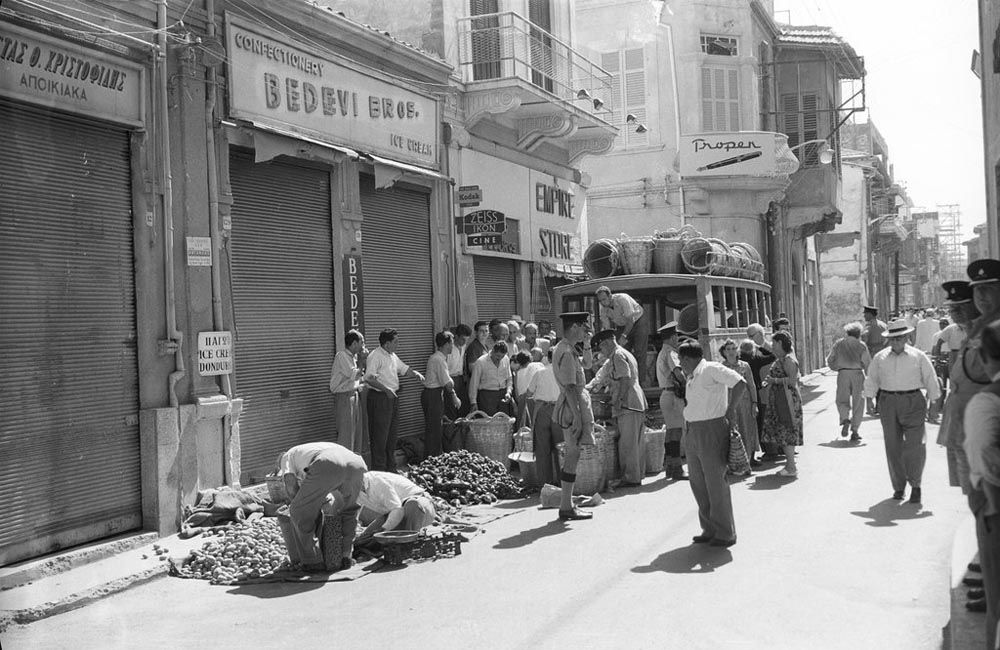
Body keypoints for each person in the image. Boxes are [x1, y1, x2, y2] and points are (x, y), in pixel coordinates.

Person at [677, 340, 746, 547]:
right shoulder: (692, 376)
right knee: (698, 482)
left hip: (712, 429)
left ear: (689, 358)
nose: (680, 363)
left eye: (682, 359)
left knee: (715, 482)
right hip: (693, 430)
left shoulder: (711, 369)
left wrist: (731, 409)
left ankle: (725, 532)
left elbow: (740, 383)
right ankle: (709, 528)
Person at [863, 318, 941, 503]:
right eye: (893, 338)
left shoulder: (918, 356)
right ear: (888, 339)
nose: (896, 341)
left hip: (913, 400)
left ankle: (916, 485)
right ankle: (899, 487)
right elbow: (872, 378)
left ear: (906, 337)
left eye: (899, 337)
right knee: (893, 446)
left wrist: (934, 404)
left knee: (915, 445)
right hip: (888, 401)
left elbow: (931, 378)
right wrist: (869, 399)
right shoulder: (880, 357)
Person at [942, 266, 1000, 495]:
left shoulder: (991, 330)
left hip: (987, 432)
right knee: (975, 497)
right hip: (965, 427)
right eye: (977, 291)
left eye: (988, 289)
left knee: (986, 499)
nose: (981, 297)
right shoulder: (974, 331)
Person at [961, 318, 1000, 648]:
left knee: (997, 609)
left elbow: (985, 459)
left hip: (995, 511)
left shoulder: (986, 401)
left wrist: (990, 508)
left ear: (986, 359)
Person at [276, 442, 366, 571]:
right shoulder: (308, 450)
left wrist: (300, 505)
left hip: (326, 463)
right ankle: (346, 555)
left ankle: (313, 561)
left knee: (298, 510)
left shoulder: (287, 456)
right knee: (349, 510)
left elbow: (290, 483)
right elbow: (330, 485)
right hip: (356, 463)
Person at [551, 311, 597, 521]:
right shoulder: (567, 352)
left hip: (571, 406)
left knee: (573, 454)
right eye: (584, 328)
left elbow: (587, 365)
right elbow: (570, 387)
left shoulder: (566, 348)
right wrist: (577, 417)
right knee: (572, 454)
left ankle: (566, 505)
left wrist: (587, 344)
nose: (585, 332)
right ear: (575, 327)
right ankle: (566, 506)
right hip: (572, 408)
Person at [365, 329, 425, 472]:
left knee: (391, 436)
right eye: (395, 342)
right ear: (386, 344)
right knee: (379, 436)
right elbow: (369, 378)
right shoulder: (375, 356)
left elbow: (403, 368)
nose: (398, 344)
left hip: (392, 398)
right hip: (380, 398)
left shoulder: (392, 355)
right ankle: (379, 470)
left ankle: (391, 468)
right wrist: (386, 390)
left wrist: (416, 374)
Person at [594, 329, 648, 486]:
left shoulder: (617, 355)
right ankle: (637, 475)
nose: (601, 351)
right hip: (635, 401)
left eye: (601, 347)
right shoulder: (622, 353)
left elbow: (625, 378)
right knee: (636, 442)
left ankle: (630, 478)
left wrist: (619, 400)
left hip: (628, 403)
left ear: (607, 343)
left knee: (628, 443)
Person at [761, 331, 804, 477]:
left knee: (787, 432)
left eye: (774, 343)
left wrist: (774, 381)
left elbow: (792, 381)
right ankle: (789, 464)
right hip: (780, 399)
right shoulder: (781, 359)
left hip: (787, 401)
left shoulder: (789, 360)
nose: (772, 346)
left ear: (780, 343)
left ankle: (791, 466)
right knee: (782, 431)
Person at [595, 286, 651, 387]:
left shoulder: (622, 299)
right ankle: (625, 380)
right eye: (600, 301)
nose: (603, 302)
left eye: (604, 299)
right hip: (622, 325)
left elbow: (630, 320)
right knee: (621, 353)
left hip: (638, 321)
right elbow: (607, 329)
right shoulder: (603, 310)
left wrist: (624, 336)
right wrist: (607, 344)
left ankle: (641, 382)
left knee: (639, 351)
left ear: (610, 296)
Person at [825, 322, 871, 441]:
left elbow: (830, 359)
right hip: (857, 374)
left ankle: (845, 418)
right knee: (859, 402)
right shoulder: (861, 345)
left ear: (847, 333)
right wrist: (869, 377)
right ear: (859, 334)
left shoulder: (839, 344)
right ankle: (855, 430)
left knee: (841, 399)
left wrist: (837, 368)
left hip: (843, 374)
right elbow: (867, 363)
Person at [720, 339, 758, 474]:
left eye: (733, 348)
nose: (731, 352)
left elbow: (751, 385)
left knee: (746, 430)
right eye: (728, 349)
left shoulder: (744, 366)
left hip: (745, 403)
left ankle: (747, 463)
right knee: (730, 433)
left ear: (737, 351)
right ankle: (731, 465)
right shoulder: (721, 367)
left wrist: (754, 403)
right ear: (724, 352)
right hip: (728, 403)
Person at [656, 322, 688, 480]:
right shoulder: (670, 352)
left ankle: (670, 466)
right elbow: (679, 374)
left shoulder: (662, 352)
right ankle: (677, 469)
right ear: (672, 337)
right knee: (676, 432)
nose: (677, 339)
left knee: (671, 432)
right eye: (676, 336)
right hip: (673, 395)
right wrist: (688, 385)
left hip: (666, 394)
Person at [422, 331, 462, 458]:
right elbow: (448, 383)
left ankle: (434, 455)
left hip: (435, 394)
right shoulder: (438, 360)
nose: (452, 346)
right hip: (432, 395)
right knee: (434, 429)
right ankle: (433, 458)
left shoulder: (439, 358)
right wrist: (454, 397)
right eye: (451, 343)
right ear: (446, 344)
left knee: (436, 427)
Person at [527, 348, 563, 486]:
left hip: (542, 410)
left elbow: (529, 393)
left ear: (548, 358)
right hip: (559, 410)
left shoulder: (539, 372)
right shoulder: (563, 373)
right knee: (561, 447)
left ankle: (545, 483)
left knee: (542, 449)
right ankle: (562, 482)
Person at [357, 470, 436, 533]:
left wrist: (383, 530)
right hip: (395, 514)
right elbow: (352, 510)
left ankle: (409, 541)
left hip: (420, 507)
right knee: (367, 537)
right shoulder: (354, 488)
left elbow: (398, 510)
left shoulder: (377, 482)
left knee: (412, 504)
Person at [742, 323, 776, 461]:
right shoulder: (750, 351)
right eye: (748, 336)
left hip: (770, 389)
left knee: (770, 420)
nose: (749, 338)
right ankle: (769, 450)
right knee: (762, 422)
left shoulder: (770, 347)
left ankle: (775, 449)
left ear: (761, 334)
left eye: (752, 335)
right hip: (757, 391)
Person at [329, 329, 366, 453]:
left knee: (357, 434)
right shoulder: (342, 356)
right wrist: (362, 360)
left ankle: (354, 460)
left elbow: (357, 378)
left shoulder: (353, 358)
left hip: (354, 396)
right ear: (354, 343)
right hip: (344, 398)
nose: (363, 346)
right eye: (362, 342)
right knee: (346, 435)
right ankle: (344, 461)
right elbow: (354, 375)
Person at [469, 341, 513, 416]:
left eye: (502, 356)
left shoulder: (506, 359)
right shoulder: (481, 362)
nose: (500, 359)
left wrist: (508, 392)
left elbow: (509, 378)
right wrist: (473, 402)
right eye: (498, 356)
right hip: (487, 397)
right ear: (493, 351)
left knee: (503, 421)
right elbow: (474, 383)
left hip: (502, 396)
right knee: (488, 421)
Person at [862, 305, 888, 415]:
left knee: (872, 381)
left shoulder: (869, 326)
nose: (864, 316)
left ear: (870, 314)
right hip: (884, 355)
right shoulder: (883, 325)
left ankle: (874, 406)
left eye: (865, 314)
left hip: (872, 356)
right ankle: (880, 405)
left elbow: (864, 339)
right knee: (882, 381)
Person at [447, 324, 472, 418]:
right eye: (462, 339)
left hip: (461, 379)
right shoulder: (449, 348)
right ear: (456, 337)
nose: (464, 342)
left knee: (464, 407)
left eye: (466, 340)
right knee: (451, 407)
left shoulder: (464, 346)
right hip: (450, 378)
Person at [463, 321, 489, 386]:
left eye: (486, 331)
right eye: (481, 331)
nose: (484, 333)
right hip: (476, 383)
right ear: (476, 333)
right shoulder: (473, 347)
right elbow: (472, 368)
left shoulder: (486, 346)